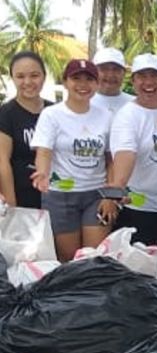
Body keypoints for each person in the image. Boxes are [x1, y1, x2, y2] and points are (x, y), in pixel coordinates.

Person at [29, 59, 112, 261]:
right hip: (61, 196)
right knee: (68, 260)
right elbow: (44, 151)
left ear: (97, 84)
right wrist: (42, 172)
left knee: (94, 258)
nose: (82, 85)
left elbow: (111, 158)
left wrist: (112, 195)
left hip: (96, 195)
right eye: (76, 78)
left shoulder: (107, 116)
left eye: (89, 79)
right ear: (65, 82)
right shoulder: (51, 115)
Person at [106, 53, 157, 245]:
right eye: (142, 76)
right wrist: (117, 187)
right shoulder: (127, 115)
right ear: (133, 81)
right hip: (138, 209)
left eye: (155, 76)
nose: (149, 82)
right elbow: (125, 154)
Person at [0, 51, 51, 209]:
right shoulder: (6, 113)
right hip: (21, 196)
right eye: (20, 76)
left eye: (34, 75)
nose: (28, 82)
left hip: (57, 196)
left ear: (44, 76)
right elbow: (3, 161)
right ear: (12, 79)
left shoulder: (55, 111)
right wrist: (11, 203)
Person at [91, 47, 134, 114]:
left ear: (124, 73)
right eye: (104, 69)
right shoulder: (82, 102)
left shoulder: (135, 104)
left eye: (116, 69)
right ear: (94, 71)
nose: (110, 75)